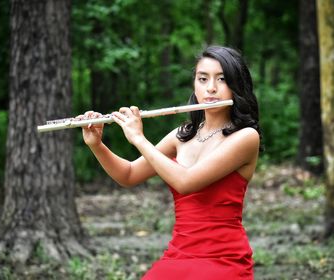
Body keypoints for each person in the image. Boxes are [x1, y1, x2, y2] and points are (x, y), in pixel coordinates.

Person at [78, 45, 262, 279]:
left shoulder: (245, 137)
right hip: (179, 254)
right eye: (202, 79)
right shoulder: (182, 135)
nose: (211, 88)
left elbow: (186, 182)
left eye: (222, 79)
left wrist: (138, 138)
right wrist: (97, 145)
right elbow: (129, 174)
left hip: (222, 259)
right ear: (194, 85)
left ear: (236, 86)